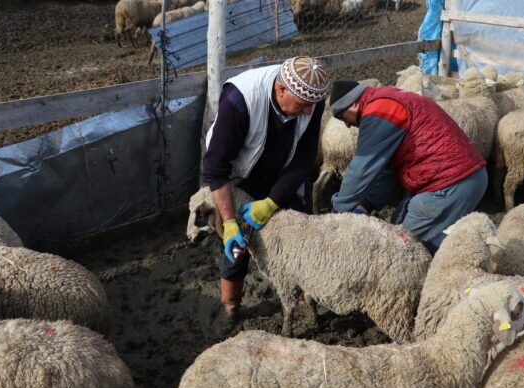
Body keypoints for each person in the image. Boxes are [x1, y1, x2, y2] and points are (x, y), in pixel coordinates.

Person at [202, 56, 330, 328]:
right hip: (240, 171)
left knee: (302, 234)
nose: (309, 112)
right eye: (303, 106)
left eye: (312, 106)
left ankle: (302, 298)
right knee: (236, 243)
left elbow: (305, 158)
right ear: (281, 90)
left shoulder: (311, 100)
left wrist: (271, 203)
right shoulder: (240, 101)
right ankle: (231, 306)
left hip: (284, 169)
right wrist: (228, 222)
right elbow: (215, 168)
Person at [328, 79, 487, 254]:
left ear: (352, 104)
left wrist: (339, 209)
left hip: (449, 184)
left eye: (343, 117)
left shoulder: (379, 111)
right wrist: (367, 202)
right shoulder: (388, 99)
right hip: (458, 177)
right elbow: (389, 169)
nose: (348, 125)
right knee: (399, 226)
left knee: (404, 249)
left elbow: (361, 167)